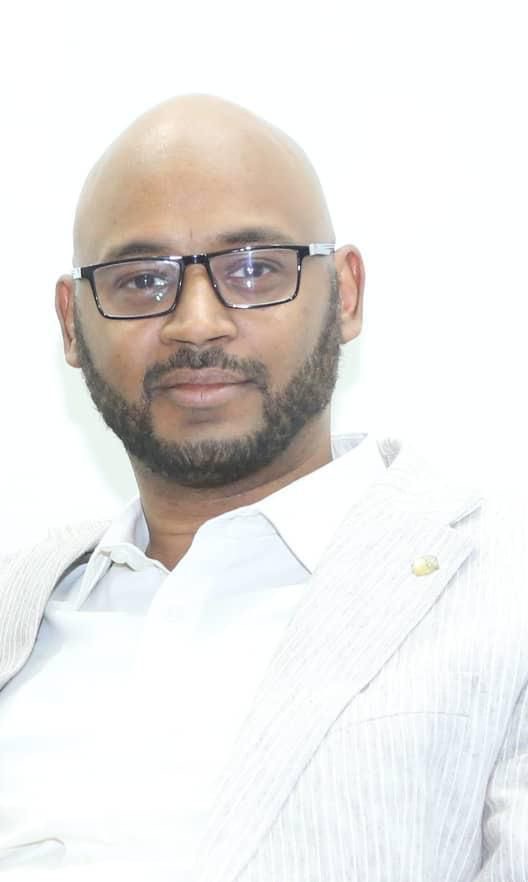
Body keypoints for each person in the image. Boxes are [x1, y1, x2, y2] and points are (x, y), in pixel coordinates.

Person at [0, 95, 526, 882]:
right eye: (141, 279)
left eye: (253, 270)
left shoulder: (502, 598)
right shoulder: (28, 612)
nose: (196, 323)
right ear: (72, 324)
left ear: (346, 294)